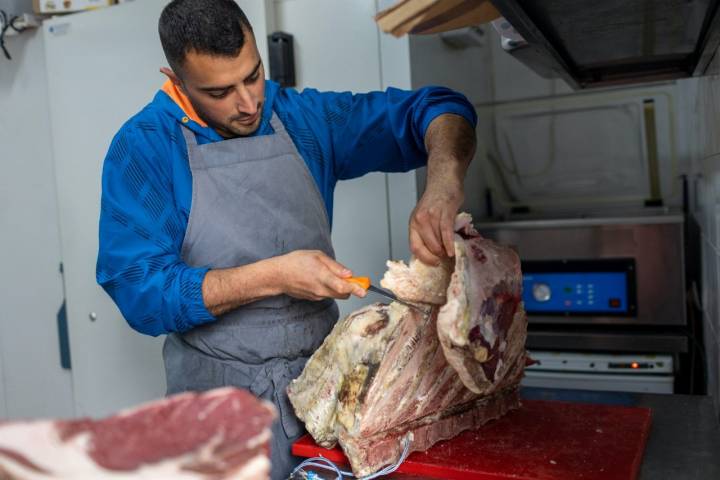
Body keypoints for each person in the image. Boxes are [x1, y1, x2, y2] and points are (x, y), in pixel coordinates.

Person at [96, 0, 476, 477]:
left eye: (253, 76)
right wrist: (274, 276)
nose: (249, 103)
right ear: (175, 80)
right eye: (220, 91)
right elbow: (139, 291)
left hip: (323, 399)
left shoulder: (301, 119)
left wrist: (442, 183)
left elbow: (438, 109)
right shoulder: (145, 149)